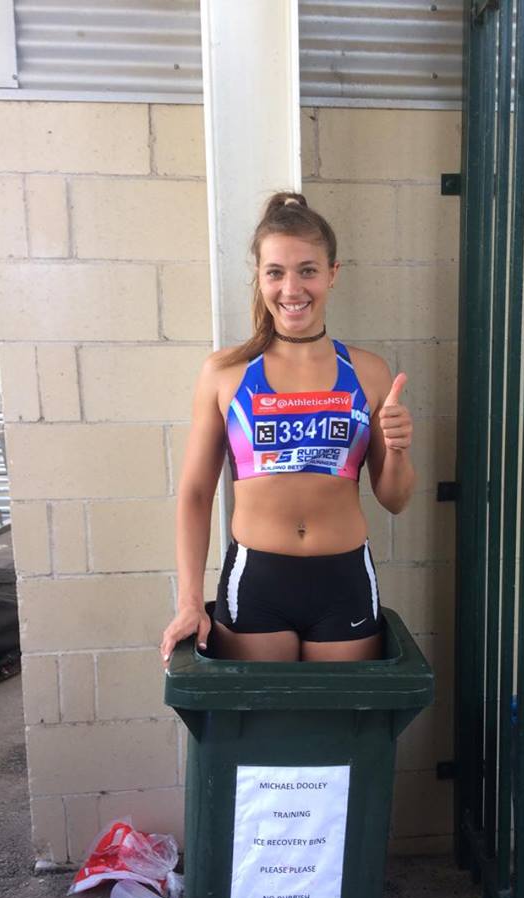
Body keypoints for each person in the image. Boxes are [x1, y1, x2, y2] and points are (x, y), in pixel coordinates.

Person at [159, 192, 415, 664]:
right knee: (263, 713)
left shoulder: (370, 372)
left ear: (332, 273)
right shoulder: (225, 373)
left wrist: (397, 449)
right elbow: (195, 493)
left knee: (339, 714)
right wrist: (190, 601)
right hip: (256, 582)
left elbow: (395, 499)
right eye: (275, 272)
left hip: (344, 582)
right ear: (259, 278)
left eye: (308, 270)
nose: (292, 288)